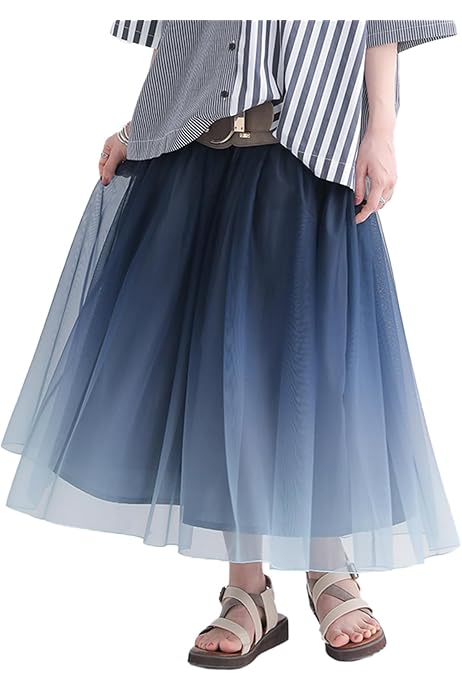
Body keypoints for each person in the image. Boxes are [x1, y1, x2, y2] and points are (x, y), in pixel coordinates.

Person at [1, 20, 460, 668]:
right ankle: (248, 587)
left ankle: (328, 564)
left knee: (316, 370)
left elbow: (378, 16)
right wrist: (141, 128)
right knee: (224, 376)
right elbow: (182, 29)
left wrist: (381, 129)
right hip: (198, 158)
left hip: (310, 155)